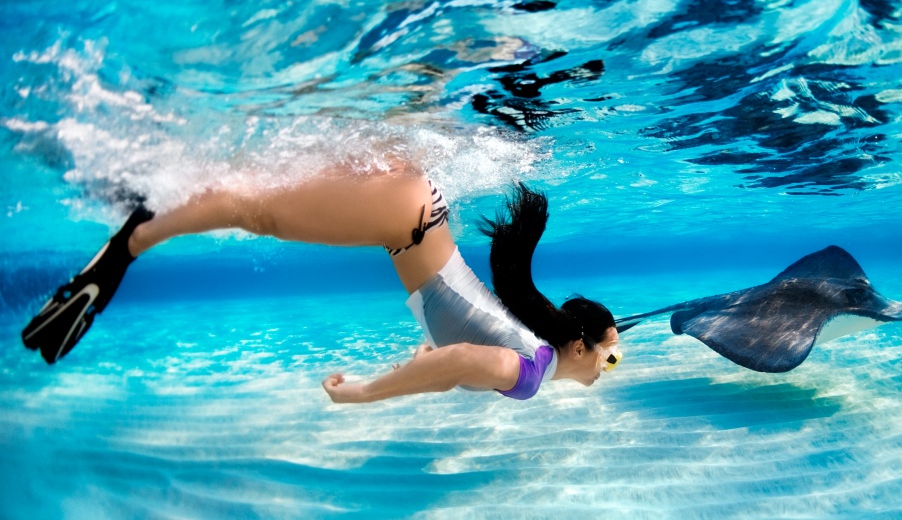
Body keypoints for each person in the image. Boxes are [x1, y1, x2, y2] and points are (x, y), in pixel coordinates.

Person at [22, 165, 622, 403]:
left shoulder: (531, 351)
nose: (608, 366)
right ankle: (125, 248)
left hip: (412, 218)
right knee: (255, 213)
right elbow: (464, 356)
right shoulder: (531, 375)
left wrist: (430, 358)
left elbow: (460, 353)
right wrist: (365, 393)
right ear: (580, 345)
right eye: (611, 356)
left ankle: (146, 203)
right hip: (405, 224)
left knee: (256, 196)